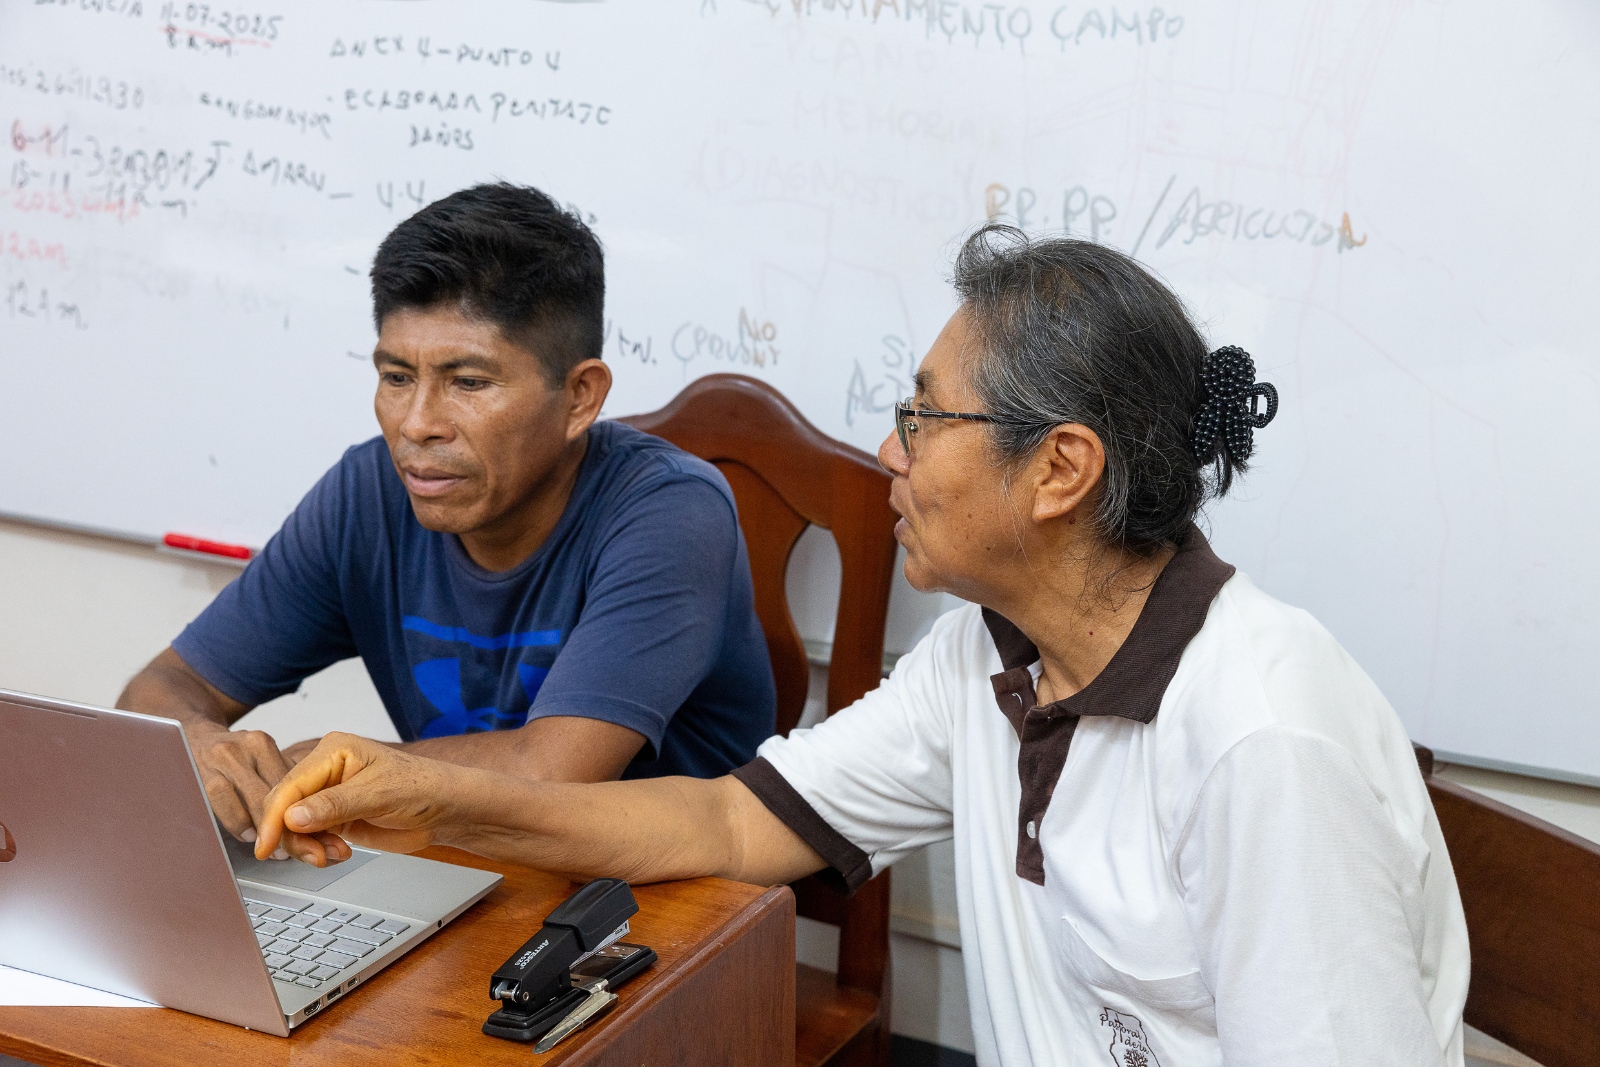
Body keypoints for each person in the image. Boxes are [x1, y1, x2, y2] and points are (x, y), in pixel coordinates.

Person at [254, 227, 1470, 1066]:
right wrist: (426, 791)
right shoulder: (978, 661)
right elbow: (729, 825)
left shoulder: (1262, 736)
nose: (890, 453)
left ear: (1058, 469)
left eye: (923, 417)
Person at [118, 183, 776, 861]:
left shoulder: (672, 510)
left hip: (667, 908)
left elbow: (552, 774)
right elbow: (158, 688)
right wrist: (197, 744)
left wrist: (342, 771)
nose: (416, 424)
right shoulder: (367, 492)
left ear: (581, 397)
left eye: (468, 382)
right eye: (397, 376)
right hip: (457, 870)